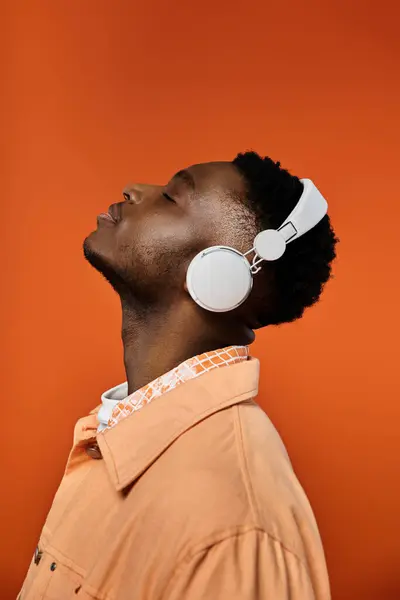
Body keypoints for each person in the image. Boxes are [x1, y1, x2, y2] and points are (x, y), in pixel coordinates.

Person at [19, 151, 337, 599]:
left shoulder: (234, 527)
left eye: (171, 197)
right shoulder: (115, 438)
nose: (134, 189)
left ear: (220, 273)